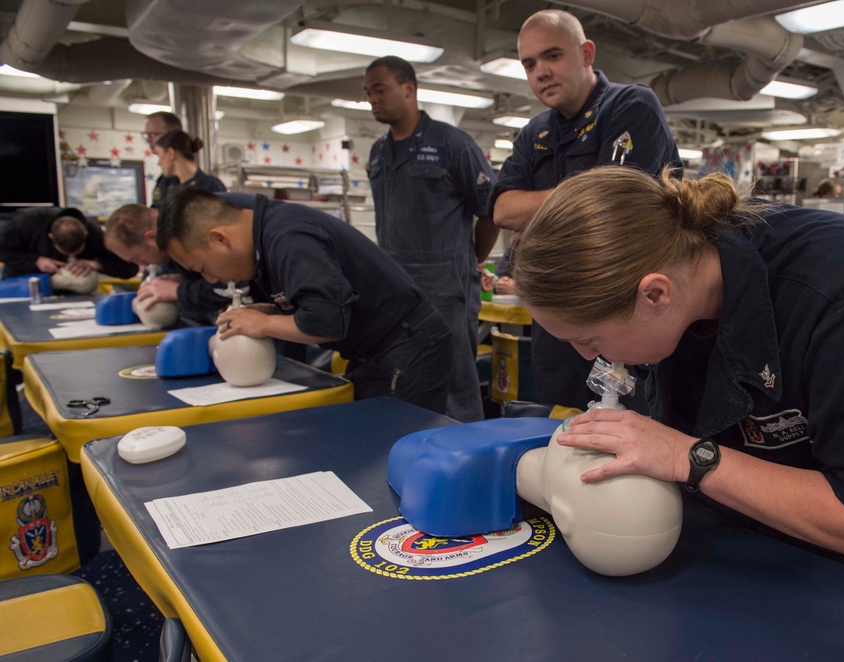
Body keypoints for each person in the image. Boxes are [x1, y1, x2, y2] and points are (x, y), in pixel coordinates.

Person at [512, 166, 844, 586]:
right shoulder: (680, 274)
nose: (588, 357)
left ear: (655, 294)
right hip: (719, 550)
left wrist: (689, 456)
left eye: (590, 339)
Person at [489, 8, 682, 411]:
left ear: (587, 54)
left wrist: (539, 213)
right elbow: (503, 211)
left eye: (552, 55)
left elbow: (614, 205)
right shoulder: (534, 133)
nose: (540, 71)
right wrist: (579, 198)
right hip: (556, 322)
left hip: (624, 310)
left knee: (635, 428)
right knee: (563, 426)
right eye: (529, 63)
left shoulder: (631, 107)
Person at [157, 187, 453, 413]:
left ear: (219, 239)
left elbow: (327, 322)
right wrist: (274, 310)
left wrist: (265, 323)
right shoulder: (264, 238)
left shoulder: (287, 236)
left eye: (201, 268)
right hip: (373, 349)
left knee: (392, 453)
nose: (210, 280)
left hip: (407, 346)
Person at [365, 55, 499, 422]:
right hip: (394, 283)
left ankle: (468, 455)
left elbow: (491, 210)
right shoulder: (378, 152)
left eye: (380, 89)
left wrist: (472, 259)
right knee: (402, 372)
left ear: (408, 89)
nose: (372, 99)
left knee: (454, 379)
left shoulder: (453, 144)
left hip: (445, 283)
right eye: (368, 93)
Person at [105, 204, 231, 324]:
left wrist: (179, 291)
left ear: (151, 237)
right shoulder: (165, 254)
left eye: (137, 258)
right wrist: (187, 281)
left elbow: (235, 284)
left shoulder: (195, 233)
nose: (141, 264)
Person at [0, 206, 136, 281]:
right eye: (66, 253)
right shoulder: (27, 223)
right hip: (21, 283)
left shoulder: (95, 234)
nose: (71, 258)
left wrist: (97, 264)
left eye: (76, 253)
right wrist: (36, 260)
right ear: (51, 237)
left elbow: (130, 268)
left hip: (71, 293)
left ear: (86, 236)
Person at [154, 130, 227, 196]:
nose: (158, 163)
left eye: (159, 155)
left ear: (170, 153)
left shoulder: (210, 185)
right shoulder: (167, 186)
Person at [143, 111, 182, 208]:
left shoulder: (204, 183)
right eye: (147, 135)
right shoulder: (163, 180)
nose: (149, 140)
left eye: (153, 134)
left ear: (172, 135)